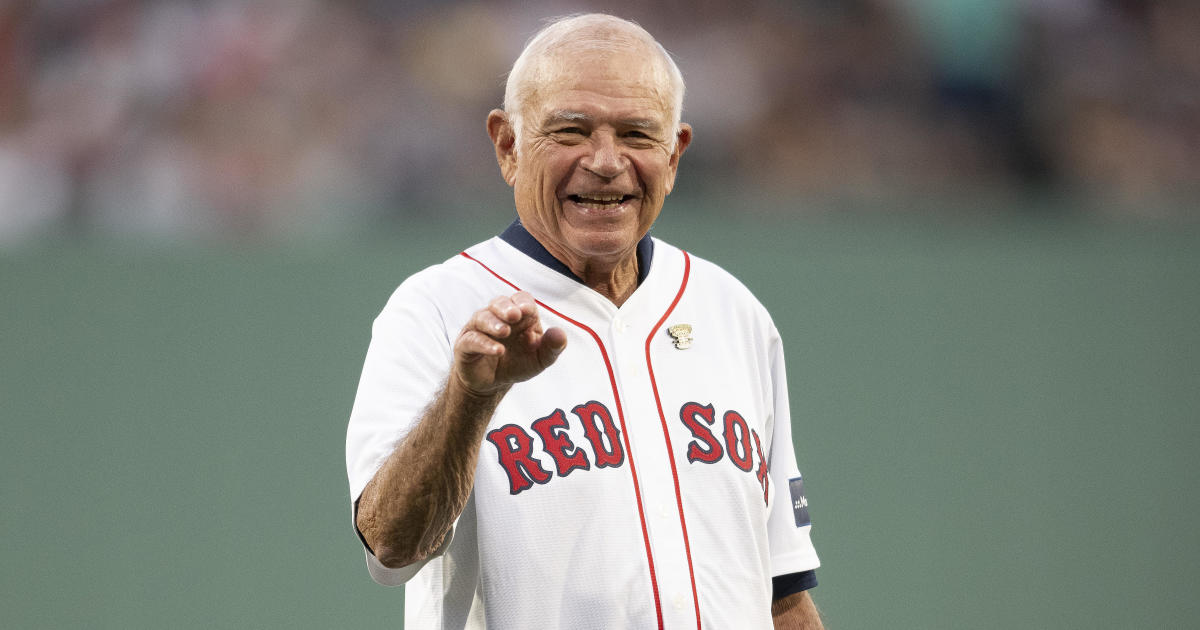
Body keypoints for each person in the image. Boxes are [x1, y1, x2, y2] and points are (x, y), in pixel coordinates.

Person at [345, 14, 823, 629]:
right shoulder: (435, 307)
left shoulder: (732, 312)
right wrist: (471, 397)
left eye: (636, 134)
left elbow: (781, 591)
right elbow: (391, 545)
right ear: (508, 146)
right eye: (570, 131)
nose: (604, 161)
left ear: (674, 155)